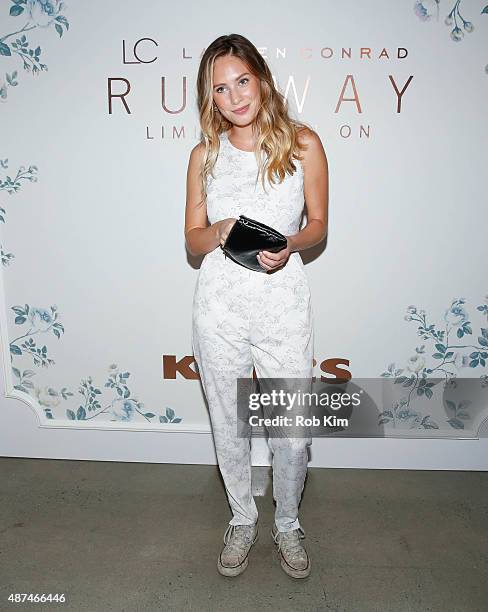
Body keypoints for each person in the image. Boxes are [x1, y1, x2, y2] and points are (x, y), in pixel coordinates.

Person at [185, 33, 328, 579]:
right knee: (228, 421)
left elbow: (317, 225)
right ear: (211, 99)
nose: (235, 96)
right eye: (220, 89)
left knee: (292, 426)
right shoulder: (206, 154)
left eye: (242, 81)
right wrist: (219, 229)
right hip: (220, 305)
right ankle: (242, 517)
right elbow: (193, 239)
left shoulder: (304, 144)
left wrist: (289, 244)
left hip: (282, 305)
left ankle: (287, 521)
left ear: (262, 79)